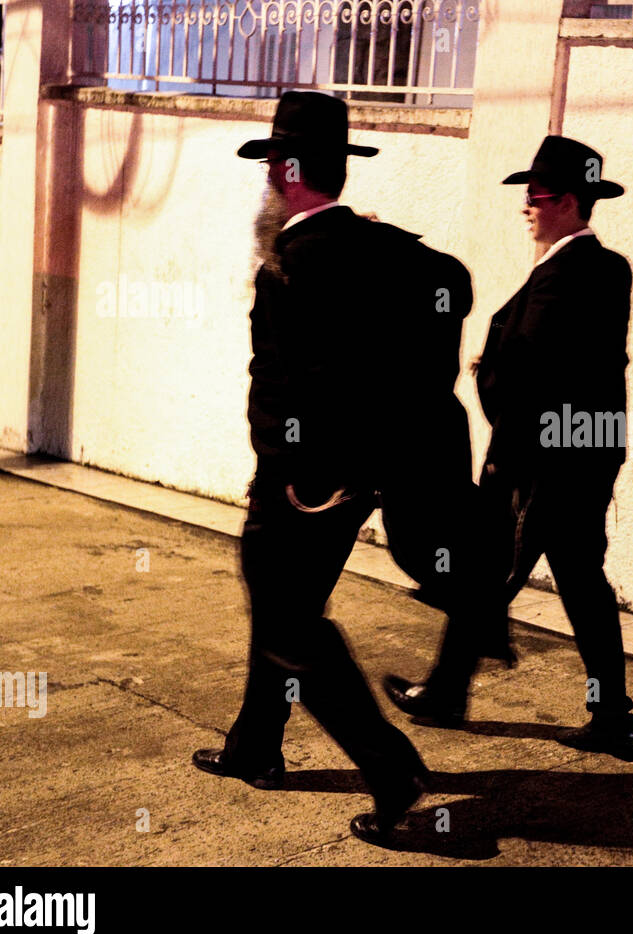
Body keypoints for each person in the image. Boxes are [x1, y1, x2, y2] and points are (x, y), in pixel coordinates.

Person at [191, 90, 431, 842]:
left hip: (300, 487)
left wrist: (290, 471)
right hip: (358, 483)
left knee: (293, 629)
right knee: (283, 613)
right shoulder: (391, 249)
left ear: (290, 171)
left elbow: (288, 387)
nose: (267, 181)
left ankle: (391, 768)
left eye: (271, 166)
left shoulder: (291, 264)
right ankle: (256, 746)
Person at [383, 135, 633, 761]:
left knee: (484, 572)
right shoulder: (607, 268)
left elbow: (531, 374)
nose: (526, 205)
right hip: (587, 452)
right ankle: (611, 716)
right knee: (580, 580)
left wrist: (486, 373)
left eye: (538, 195)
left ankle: (452, 691)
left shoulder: (563, 274)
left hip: (545, 461)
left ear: (571, 202)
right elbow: (589, 369)